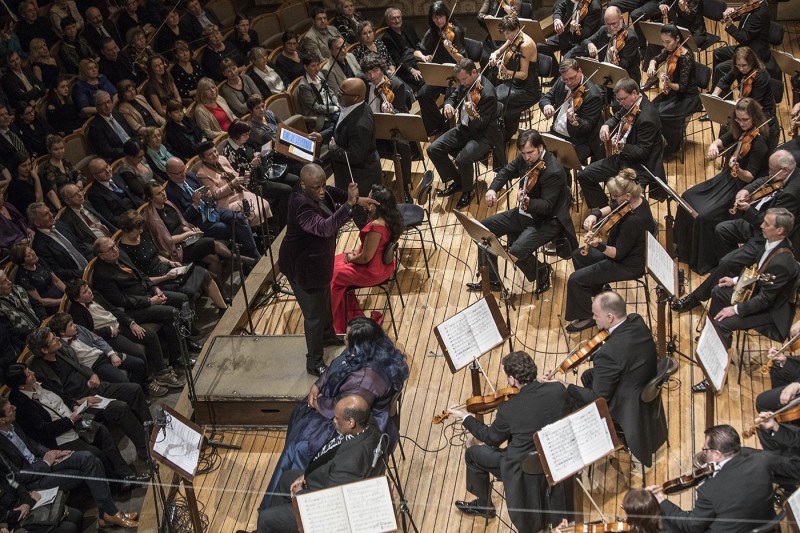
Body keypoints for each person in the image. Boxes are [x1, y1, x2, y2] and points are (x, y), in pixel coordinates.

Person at [261, 318, 408, 507]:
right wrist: (318, 384)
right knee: (300, 423)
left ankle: (295, 499)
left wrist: (319, 402)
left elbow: (345, 409)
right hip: (347, 411)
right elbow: (339, 364)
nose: (343, 337)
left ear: (360, 344)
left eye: (347, 337)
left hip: (357, 425)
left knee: (300, 445)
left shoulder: (366, 382)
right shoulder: (373, 349)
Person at [449, 351, 572, 532]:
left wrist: (465, 417)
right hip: (555, 456)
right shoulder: (557, 390)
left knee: (473, 453)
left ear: (513, 380)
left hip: (522, 467)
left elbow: (491, 438)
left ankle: (484, 505)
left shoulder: (509, 409)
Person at [547, 291, 667, 467]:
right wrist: (592, 356)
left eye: (596, 315)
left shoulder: (608, 355)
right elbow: (624, 352)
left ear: (610, 317)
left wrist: (565, 386)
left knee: (572, 400)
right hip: (641, 379)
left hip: (626, 402)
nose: (593, 319)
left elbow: (599, 397)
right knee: (588, 375)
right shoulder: (636, 320)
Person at [277, 164, 377, 376]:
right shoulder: (300, 205)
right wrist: (350, 205)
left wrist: (358, 200)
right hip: (302, 267)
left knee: (325, 301)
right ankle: (313, 361)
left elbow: (332, 193)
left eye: (323, 185)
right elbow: (325, 228)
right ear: (304, 185)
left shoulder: (317, 190)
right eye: (317, 188)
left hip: (318, 263)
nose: (322, 191)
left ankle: (328, 336)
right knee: (313, 315)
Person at [673, 151, 800, 313]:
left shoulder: (792, 193)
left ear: (784, 170)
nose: (769, 172)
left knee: (727, 262)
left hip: (768, 238)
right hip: (759, 224)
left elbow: (774, 225)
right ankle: (737, 272)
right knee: (721, 229)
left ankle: (696, 297)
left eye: (772, 169)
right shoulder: (784, 174)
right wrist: (745, 191)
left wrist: (748, 210)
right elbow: (763, 180)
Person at [0, 397, 139, 528]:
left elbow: (32, 444)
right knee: (89, 468)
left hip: (43, 461)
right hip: (34, 480)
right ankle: (108, 513)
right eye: (10, 409)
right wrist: (46, 463)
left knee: (88, 458)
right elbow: (17, 475)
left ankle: (108, 513)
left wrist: (53, 453)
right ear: (2, 420)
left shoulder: (13, 424)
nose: (14, 407)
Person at [467, 129, 577, 294]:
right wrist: (492, 190)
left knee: (516, 251)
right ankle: (492, 279)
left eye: (530, 153)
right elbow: (506, 171)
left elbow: (547, 206)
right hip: (525, 213)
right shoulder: (526, 159)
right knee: (483, 230)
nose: (526, 157)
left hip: (548, 221)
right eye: (523, 153)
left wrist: (528, 201)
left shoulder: (553, 171)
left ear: (540, 148)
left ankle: (541, 270)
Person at [6, 363, 148, 487]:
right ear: (21, 385)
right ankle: (117, 484)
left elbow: (63, 395)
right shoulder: (20, 403)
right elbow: (42, 430)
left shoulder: (40, 381)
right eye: (28, 374)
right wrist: (70, 421)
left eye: (30, 370)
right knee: (95, 453)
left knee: (102, 431)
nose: (33, 373)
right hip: (60, 436)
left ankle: (127, 474)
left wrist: (74, 405)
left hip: (74, 418)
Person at [25, 326, 153, 462]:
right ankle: (144, 448)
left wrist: (92, 374)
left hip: (93, 387)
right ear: (44, 350)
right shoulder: (40, 372)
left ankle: (152, 432)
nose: (57, 338)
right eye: (52, 339)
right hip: (81, 402)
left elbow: (80, 366)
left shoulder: (61, 350)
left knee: (134, 389)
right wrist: (78, 402)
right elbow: (57, 397)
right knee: (119, 408)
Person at [256, 395, 382, 533]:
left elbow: (329, 503)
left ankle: (270, 526)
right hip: (325, 481)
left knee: (265, 518)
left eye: (337, 418)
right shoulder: (368, 424)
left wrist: (300, 494)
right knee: (288, 477)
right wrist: (305, 475)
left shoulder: (349, 464)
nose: (333, 420)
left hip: (324, 512)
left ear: (351, 422)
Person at [674, 98, 770, 274]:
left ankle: (703, 260)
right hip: (727, 178)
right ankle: (684, 249)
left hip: (740, 186)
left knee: (705, 215)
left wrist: (738, 168)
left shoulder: (760, 143)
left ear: (754, 117)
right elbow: (722, 140)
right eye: (738, 119)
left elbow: (750, 177)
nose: (741, 123)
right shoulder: (740, 130)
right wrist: (713, 146)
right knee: (687, 196)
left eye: (745, 119)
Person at [654, 425, 800, 532]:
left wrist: (662, 501)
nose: (703, 451)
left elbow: (692, 526)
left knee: (664, 522)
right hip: (766, 525)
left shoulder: (709, 491)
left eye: (705, 449)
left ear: (717, 454)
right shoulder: (762, 460)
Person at [565, 169, 655, 332]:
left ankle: (587, 316)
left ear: (627, 196)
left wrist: (597, 244)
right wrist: (595, 215)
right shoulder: (637, 200)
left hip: (628, 264)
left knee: (575, 280)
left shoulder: (634, 222)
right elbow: (612, 207)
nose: (612, 198)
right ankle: (597, 291)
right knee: (578, 255)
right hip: (620, 252)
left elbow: (618, 254)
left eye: (614, 195)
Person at [64, 278, 180, 396]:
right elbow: (88, 335)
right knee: (138, 354)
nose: (89, 291)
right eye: (85, 292)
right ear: (77, 298)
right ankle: (145, 385)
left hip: (119, 325)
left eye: (88, 288)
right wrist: (108, 330)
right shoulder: (76, 312)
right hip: (109, 337)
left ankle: (162, 372)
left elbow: (113, 309)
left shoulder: (96, 295)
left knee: (150, 336)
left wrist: (131, 323)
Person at [91, 235, 199, 363]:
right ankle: (177, 357)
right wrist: (150, 301)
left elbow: (141, 275)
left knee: (182, 299)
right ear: (101, 255)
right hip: (132, 309)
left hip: (147, 293)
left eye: (114, 245)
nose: (115, 250)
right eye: (110, 249)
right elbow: (121, 300)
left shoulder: (121, 254)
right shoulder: (102, 275)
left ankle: (186, 341)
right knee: (171, 312)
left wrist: (155, 289)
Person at [705, 208, 799, 350]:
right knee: (718, 291)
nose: (761, 226)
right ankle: (713, 338)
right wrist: (735, 280)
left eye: (767, 224)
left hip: (770, 312)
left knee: (723, 322)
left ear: (779, 230)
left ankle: (719, 354)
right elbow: (759, 273)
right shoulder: (770, 243)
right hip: (759, 295)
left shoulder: (782, 263)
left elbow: (765, 300)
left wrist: (735, 309)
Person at [576, 78, 665, 208]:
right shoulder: (630, 104)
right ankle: (602, 208)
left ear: (634, 93)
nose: (621, 103)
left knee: (620, 198)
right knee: (584, 175)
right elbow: (617, 116)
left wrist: (621, 146)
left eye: (623, 99)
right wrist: (606, 126)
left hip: (640, 167)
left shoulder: (647, 118)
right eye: (618, 100)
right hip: (623, 158)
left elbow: (642, 152)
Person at [428, 59, 500, 209]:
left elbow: (482, 124)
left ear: (474, 72)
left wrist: (472, 114)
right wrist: (448, 103)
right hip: (464, 129)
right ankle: (459, 181)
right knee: (433, 149)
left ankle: (468, 191)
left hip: (483, 136)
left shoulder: (488, 93)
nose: (462, 83)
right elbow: (454, 95)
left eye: (464, 79)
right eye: (460, 80)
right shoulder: (465, 83)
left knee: (462, 159)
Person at [331, 185, 403, 333]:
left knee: (333, 274)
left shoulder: (377, 226)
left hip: (372, 271)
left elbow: (365, 258)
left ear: (376, 204)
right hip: (383, 264)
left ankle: (329, 319)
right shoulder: (392, 218)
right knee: (335, 261)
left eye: (369, 199)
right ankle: (346, 309)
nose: (367, 202)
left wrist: (351, 258)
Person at [309, 77, 384, 216]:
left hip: (361, 178)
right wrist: (322, 136)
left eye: (342, 93)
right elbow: (339, 127)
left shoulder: (360, 124)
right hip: (349, 174)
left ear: (356, 97)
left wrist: (333, 149)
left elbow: (356, 156)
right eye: (339, 90)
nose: (337, 94)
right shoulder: (352, 107)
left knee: (364, 219)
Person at [164, 157, 261, 263]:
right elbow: (183, 219)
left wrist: (208, 196)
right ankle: (250, 257)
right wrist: (195, 205)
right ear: (169, 174)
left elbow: (206, 193)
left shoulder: (190, 176)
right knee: (229, 228)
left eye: (184, 169)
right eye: (179, 173)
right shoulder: (169, 193)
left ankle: (253, 254)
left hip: (212, 210)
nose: (183, 174)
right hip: (200, 222)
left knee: (239, 217)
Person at [360, 53, 414, 202]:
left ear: (382, 69)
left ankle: (404, 188)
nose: (372, 76)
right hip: (371, 131)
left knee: (403, 147)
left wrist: (392, 111)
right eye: (368, 72)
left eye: (375, 71)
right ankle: (371, 187)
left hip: (389, 131)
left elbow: (402, 112)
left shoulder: (396, 85)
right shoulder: (363, 84)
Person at [644, 24, 701, 157]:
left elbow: (682, 88)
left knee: (663, 115)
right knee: (651, 109)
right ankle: (655, 144)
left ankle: (669, 149)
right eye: (663, 42)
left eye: (668, 42)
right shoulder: (670, 51)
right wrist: (652, 66)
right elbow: (656, 58)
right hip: (673, 93)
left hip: (687, 97)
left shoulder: (686, 58)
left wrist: (669, 83)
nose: (665, 45)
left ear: (677, 39)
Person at [48, 311, 147, 388]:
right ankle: (134, 394)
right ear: (61, 332)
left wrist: (111, 354)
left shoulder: (78, 328)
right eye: (70, 325)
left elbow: (97, 339)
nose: (74, 326)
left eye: (73, 323)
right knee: (124, 380)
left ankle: (141, 390)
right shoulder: (61, 346)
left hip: (103, 354)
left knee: (139, 363)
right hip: (96, 365)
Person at [708, 46, 778, 152]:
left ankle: (737, 155)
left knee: (731, 127)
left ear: (752, 62)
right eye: (739, 65)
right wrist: (714, 95)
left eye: (744, 65)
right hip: (746, 106)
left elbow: (754, 103)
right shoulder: (739, 70)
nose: (741, 69)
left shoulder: (761, 76)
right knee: (726, 125)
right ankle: (725, 154)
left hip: (763, 113)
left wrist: (739, 102)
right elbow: (725, 80)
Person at [415, 1, 466, 137]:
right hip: (438, 75)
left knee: (449, 100)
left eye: (441, 16)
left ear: (446, 15)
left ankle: (449, 132)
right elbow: (417, 51)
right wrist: (424, 57)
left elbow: (462, 60)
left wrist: (450, 49)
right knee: (422, 95)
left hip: (455, 74)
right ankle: (435, 127)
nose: (438, 20)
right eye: (435, 17)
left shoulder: (455, 31)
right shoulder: (432, 32)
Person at [540, 57, 604, 164]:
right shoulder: (562, 82)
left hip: (578, 141)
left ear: (579, 71)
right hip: (556, 133)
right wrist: (547, 106)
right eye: (565, 79)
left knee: (557, 165)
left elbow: (587, 126)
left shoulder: (593, 96)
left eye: (572, 78)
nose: (569, 82)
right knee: (535, 154)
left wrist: (574, 120)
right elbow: (546, 98)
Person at [488, 15, 540, 143]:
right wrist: (494, 54)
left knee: (501, 100)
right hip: (514, 83)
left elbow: (524, 74)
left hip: (528, 88)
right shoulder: (514, 37)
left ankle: (505, 134)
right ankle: (497, 130)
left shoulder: (525, 45)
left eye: (508, 33)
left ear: (517, 29)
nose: (506, 36)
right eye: (504, 33)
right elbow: (501, 49)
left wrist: (507, 72)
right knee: (491, 94)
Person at [195, 140, 270, 228]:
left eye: (215, 151)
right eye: (210, 154)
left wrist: (243, 176)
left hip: (240, 192)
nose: (215, 155)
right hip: (227, 201)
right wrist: (231, 184)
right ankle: (255, 234)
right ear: (203, 158)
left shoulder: (222, 159)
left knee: (264, 203)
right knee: (254, 213)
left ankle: (264, 231)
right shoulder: (202, 173)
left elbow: (234, 174)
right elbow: (215, 194)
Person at [565, 7, 641, 84]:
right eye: (608, 24)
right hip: (602, 74)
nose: (611, 28)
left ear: (621, 18)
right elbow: (585, 41)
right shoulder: (603, 30)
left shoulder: (631, 38)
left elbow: (624, 65)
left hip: (624, 80)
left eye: (614, 23)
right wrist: (589, 44)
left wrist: (613, 59)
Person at [711, 0, 771, 87]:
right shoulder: (754, 5)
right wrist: (731, 13)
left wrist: (729, 25)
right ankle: (717, 91)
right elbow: (743, 14)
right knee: (718, 53)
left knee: (720, 68)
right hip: (745, 47)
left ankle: (722, 98)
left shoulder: (759, 14)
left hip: (754, 53)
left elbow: (743, 37)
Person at [28, 202, 89, 283]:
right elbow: (59, 272)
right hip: (77, 280)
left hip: (90, 267)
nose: (51, 215)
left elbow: (80, 244)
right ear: (37, 223)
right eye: (46, 214)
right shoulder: (40, 246)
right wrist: (85, 273)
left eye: (49, 211)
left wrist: (92, 261)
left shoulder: (60, 224)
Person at [537, 0, 602, 69]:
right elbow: (559, 7)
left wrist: (576, 28)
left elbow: (586, 33)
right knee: (539, 46)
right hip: (568, 36)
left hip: (584, 41)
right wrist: (557, 19)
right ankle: (554, 71)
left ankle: (560, 76)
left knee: (566, 59)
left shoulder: (595, 7)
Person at [8, 241, 64, 316]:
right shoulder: (23, 277)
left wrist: (68, 292)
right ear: (23, 263)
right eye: (29, 255)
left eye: (31, 250)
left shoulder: (39, 261)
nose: (33, 254)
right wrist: (62, 301)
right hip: (51, 306)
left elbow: (56, 280)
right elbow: (40, 301)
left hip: (61, 295)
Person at [85, 158, 143, 227]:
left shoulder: (115, 176)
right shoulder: (94, 194)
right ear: (94, 175)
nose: (107, 171)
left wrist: (145, 206)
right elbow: (110, 217)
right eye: (101, 171)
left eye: (107, 166)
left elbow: (131, 195)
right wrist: (130, 222)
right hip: (128, 224)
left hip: (138, 212)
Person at [381, 7, 424, 91]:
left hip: (416, 60)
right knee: (423, 80)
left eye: (398, 17)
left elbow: (417, 43)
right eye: (393, 18)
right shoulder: (387, 38)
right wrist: (411, 70)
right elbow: (396, 60)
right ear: (388, 22)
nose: (397, 20)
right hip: (404, 68)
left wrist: (423, 55)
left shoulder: (408, 27)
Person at [86, 90, 136, 160]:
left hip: (134, 148)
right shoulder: (95, 127)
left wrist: (137, 143)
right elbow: (106, 151)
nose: (107, 106)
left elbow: (131, 132)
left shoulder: (117, 114)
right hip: (121, 157)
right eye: (103, 104)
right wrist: (129, 151)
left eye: (108, 102)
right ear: (97, 107)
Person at [297, 51, 339, 133]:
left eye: (318, 65)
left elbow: (330, 93)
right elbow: (315, 107)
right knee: (342, 124)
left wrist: (337, 103)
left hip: (332, 108)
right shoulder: (304, 86)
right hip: (321, 117)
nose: (317, 68)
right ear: (305, 67)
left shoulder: (320, 75)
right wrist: (335, 108)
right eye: (313, 66)